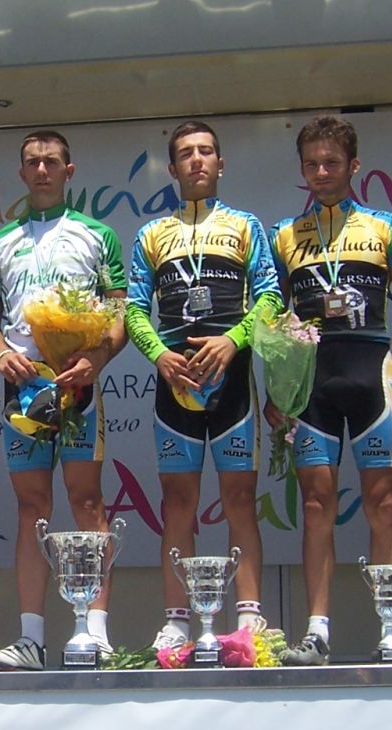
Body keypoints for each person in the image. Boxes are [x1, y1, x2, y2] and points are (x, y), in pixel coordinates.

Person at [267, 116, 392, 665]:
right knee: (316, 506)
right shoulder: (284, 234)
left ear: (353, 166)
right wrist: (277, 388)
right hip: (312, 383)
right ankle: (317, 632)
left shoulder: (386, 227)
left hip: (371, 375)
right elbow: (275, 319)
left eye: (331, 162)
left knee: (383, 504)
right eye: (311, 164)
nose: (321, 172)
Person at [126, 121, 283, 650]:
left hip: (231, 377)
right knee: (177, 503)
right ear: (172, 168)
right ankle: (176, 621)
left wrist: (233, 341)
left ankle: (249, 618)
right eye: (187, 154)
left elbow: (269, 296)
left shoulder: (245, 226)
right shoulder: (151, 234)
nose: (197, 160)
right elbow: (133, 310)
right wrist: (160, 355)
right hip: (176, 381)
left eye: (206, 151)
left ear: (221, 162)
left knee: (240, 499)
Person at [0, 130, 128, 670]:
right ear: (21, 173)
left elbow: (120, 314)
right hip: (24, 389)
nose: (41, 170)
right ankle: (30, 640)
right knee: (30, 509)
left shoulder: (98, 235)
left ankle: (95, 633)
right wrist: (2, 355)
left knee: (88, 503)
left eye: (51, 161)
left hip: (77, 385)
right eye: (32, 162)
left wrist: (97, 359)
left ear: (69, 170)